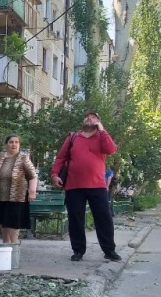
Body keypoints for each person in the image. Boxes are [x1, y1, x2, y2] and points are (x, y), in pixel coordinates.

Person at [50, 111, 121, 262]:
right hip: (74, 185)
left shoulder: (101, 137)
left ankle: (109, 251)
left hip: (97, 185)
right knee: (76, 219)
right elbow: (61, 158)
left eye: (93, 117)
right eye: (87, 116)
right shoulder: (73, 137)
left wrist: (102, 129)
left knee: (104, 218)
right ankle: (78, 250)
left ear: (98, 121)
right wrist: (55, 174)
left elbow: (111, 149)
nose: (89, 118)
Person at [0, 135, 38, 245]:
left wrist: (32, 191)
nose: (14, 144)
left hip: (16, 197)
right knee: (3, 222)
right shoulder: (0, 157)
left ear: (19, 145)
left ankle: (14, 246)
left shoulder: (23, 158)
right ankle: (5, 245)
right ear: (6, 144)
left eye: (16, 142)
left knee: (13, 222)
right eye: (11, 142)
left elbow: (33, 176)